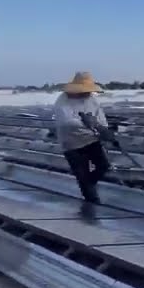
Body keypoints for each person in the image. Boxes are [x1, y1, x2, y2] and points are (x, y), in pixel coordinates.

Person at [52, 71, 113, 203]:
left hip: (91, 139)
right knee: (82, 173)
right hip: (71, 143)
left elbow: (100, 117)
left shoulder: (91, 99)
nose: (87, 93)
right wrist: (87, 123)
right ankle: (92, 203)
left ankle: (88, 184)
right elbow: (66, 122)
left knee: (103, 166)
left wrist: (103, 129)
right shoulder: (63, 101)